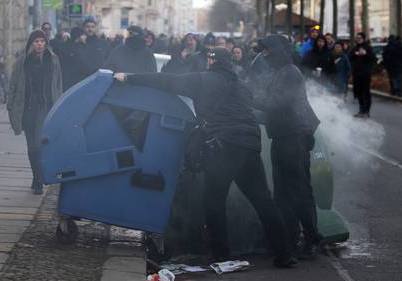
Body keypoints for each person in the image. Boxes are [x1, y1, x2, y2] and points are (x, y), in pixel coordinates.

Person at [113, 47, 297, 268]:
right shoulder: (240, 85)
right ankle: (284, 253)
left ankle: (221, 255)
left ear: (211, 62)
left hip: (223, 146)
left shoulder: (202, 80)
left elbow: (165, 80)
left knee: (214, 201)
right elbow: (257, 108)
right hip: (249, 145)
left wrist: (129, 78)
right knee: (263, 201)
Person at [256, 35, 322, 259]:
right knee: (283, 193)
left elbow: (277, 104)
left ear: (275, 51)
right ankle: (291, 239)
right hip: (283, 137)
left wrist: (248, 98)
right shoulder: (279, 72)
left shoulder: (290, 72)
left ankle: (312, 238)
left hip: (294, 138)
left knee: (299, 191)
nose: (263, 55)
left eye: (266, 50)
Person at [7, 30, 63, 195]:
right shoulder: (22, 62)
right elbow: (13, 86)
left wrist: (59, 106)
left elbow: (58, 84)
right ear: (31, 43)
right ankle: (36, 177)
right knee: (31, 146)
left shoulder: (53, 60)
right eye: (36, 41)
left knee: (38, 145)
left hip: (44, 108)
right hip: (27, 108)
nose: (40, 44)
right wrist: (11, 106)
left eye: (42, 41)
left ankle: (39, 181)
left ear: (46, 43)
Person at [349, 32, 377, 118]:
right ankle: (361, 109)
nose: (358, 39)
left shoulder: (368, 48)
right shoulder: (355, 48)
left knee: (366, 92)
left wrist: (365, 54)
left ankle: (366, 110)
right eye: (357, 38)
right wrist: (355, 54)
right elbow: (350, 57)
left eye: (360, 38)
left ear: (363, 39)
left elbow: (374, 59)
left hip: (365, 74)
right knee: (359, 92)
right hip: (357, 73)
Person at [60, 27, 95, 91]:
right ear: (78, 36)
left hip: (71, 83)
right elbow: (84, 65)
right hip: (75, 83)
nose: (85, 37)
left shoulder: (71, 47)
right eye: (83, 35)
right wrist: (96, 71)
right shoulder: (75, 50)